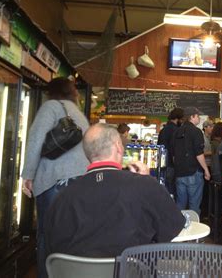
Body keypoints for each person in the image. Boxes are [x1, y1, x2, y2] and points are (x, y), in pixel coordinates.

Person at [45, 123, 185, 258]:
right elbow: (173, 227)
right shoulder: (145, 185)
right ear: (119, 147)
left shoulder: (63, 196)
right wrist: (147, 183)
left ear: (87, 153)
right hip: (132, 271)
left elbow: (52, 246)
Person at [21, 77, 89, 278]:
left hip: (54, 181)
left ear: (51, 91)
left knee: (47, 235)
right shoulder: (79, 114)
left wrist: (28, 175)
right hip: (80, 182)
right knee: (71, 235)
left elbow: (35, 140)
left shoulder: (50, 107)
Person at [173, 107, 210, 214]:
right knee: (194, 206)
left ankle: (180, 229)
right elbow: (199, 154)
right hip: (193, 172)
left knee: (180, 205)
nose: (199, 118)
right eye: (198, 116)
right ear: (192, 117)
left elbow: (173, 154)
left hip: (179, 173)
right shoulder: (196, 131)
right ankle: (195, 230)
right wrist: (206, 170)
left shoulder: (176, 132)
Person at [157, 107, 184, 196]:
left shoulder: (163, 130)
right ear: (177, 119)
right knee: (172, 191)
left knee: (164, 190)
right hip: (172, 165)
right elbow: (176, 149)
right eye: (181, 119)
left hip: (162, 164)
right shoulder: (176, 130)